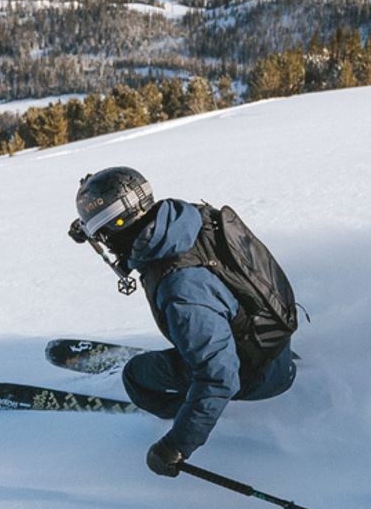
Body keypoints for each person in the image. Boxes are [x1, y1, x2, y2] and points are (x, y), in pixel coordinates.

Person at [70, 165, 298, 478]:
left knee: (135, 378)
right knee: (204, 339)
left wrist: (176, 445)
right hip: (273, 341)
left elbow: (220, 378)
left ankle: (197, 414)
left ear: (118, 229)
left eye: (105, 237)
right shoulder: (184, 221)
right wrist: (91, 227)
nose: (105, 244)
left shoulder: (181, 291)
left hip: (261, 375)